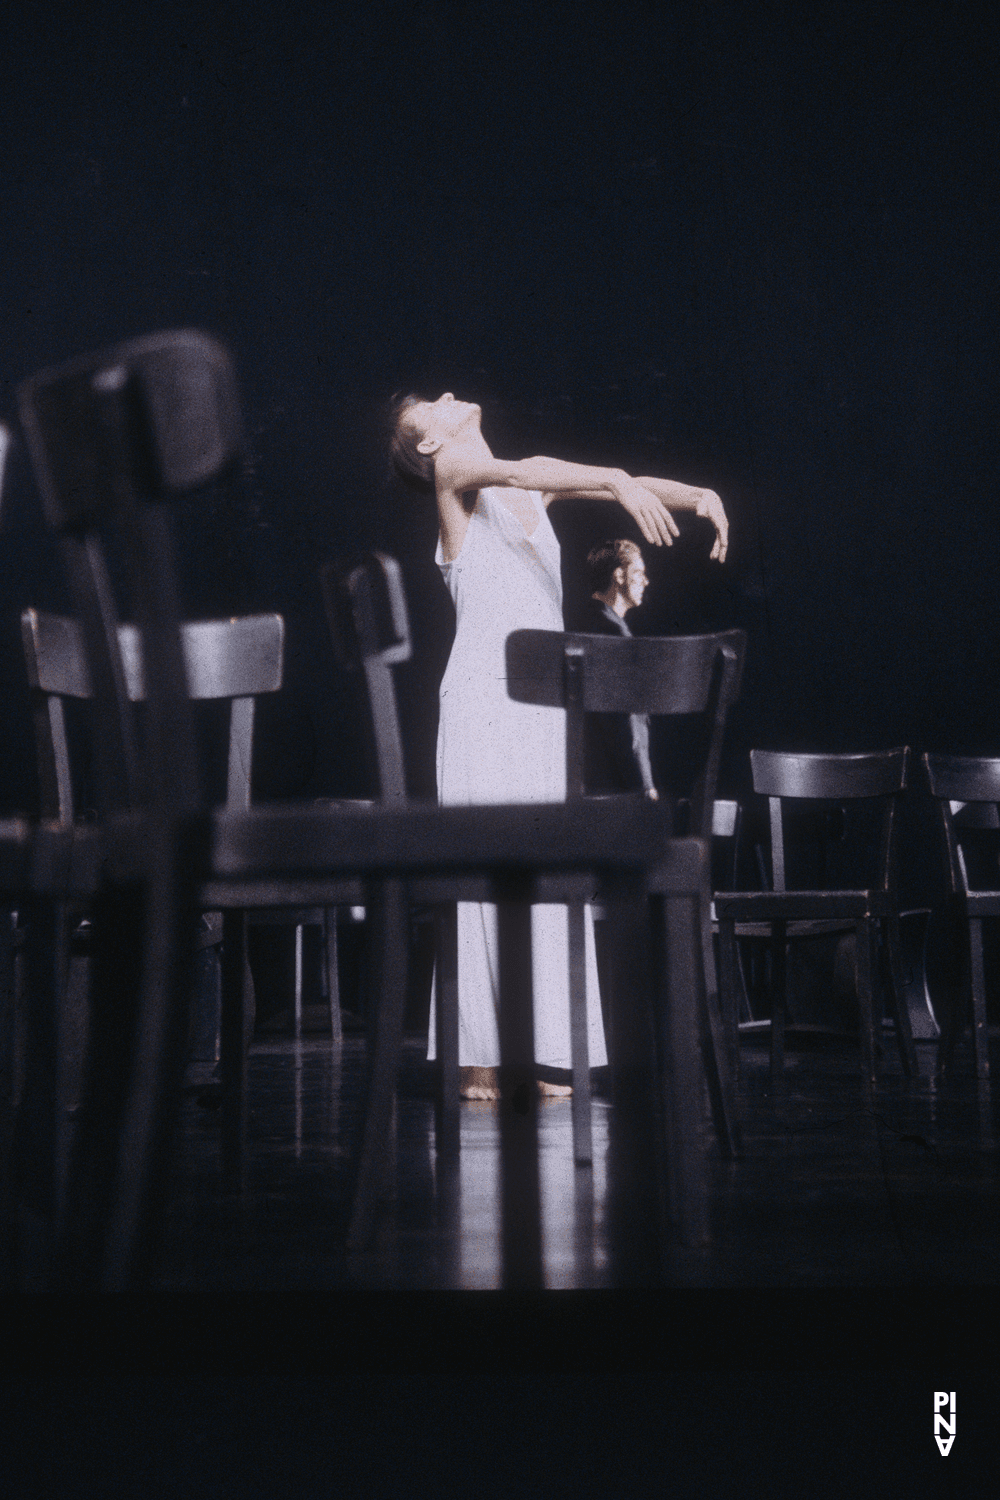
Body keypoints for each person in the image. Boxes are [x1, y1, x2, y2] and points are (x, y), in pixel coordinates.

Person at [391, 391, 728, 1099]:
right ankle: (478, 1059)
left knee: (545, 873)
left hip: (541, 709)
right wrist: (613, 481)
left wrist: (698, 495)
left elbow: (595, 478)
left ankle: (541, 1054)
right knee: (486, 874)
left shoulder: (531, 497)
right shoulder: (457, 484)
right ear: (428, 446)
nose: (451, 397)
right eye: (434, 407)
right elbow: (530, 470)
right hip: (484, 700)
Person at [582, 538, 658, 801]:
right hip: (613, 791)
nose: (646, 582)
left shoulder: (579, 620)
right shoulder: (613, 632)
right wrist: (646, 786)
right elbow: (628, 725)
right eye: (639, 573)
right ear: (619, 575)